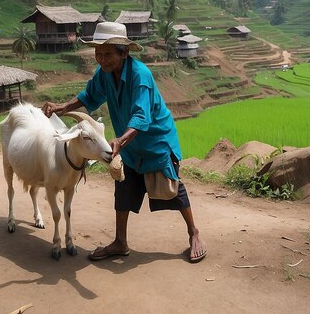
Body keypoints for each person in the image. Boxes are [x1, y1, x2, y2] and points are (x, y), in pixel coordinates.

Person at [43, 21, 207, 263]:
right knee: (123, 188)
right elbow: (89, 96)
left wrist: (120, 139)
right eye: (98, 53)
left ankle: (194, 233)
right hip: (128, 145)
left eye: (107, 54)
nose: (101, 59)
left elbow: (141, 116)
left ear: (124, 52)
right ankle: (120, 241)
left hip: (155, 141)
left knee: (172, 190)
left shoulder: (141, 75)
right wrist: (62, 107)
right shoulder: (105, 74)